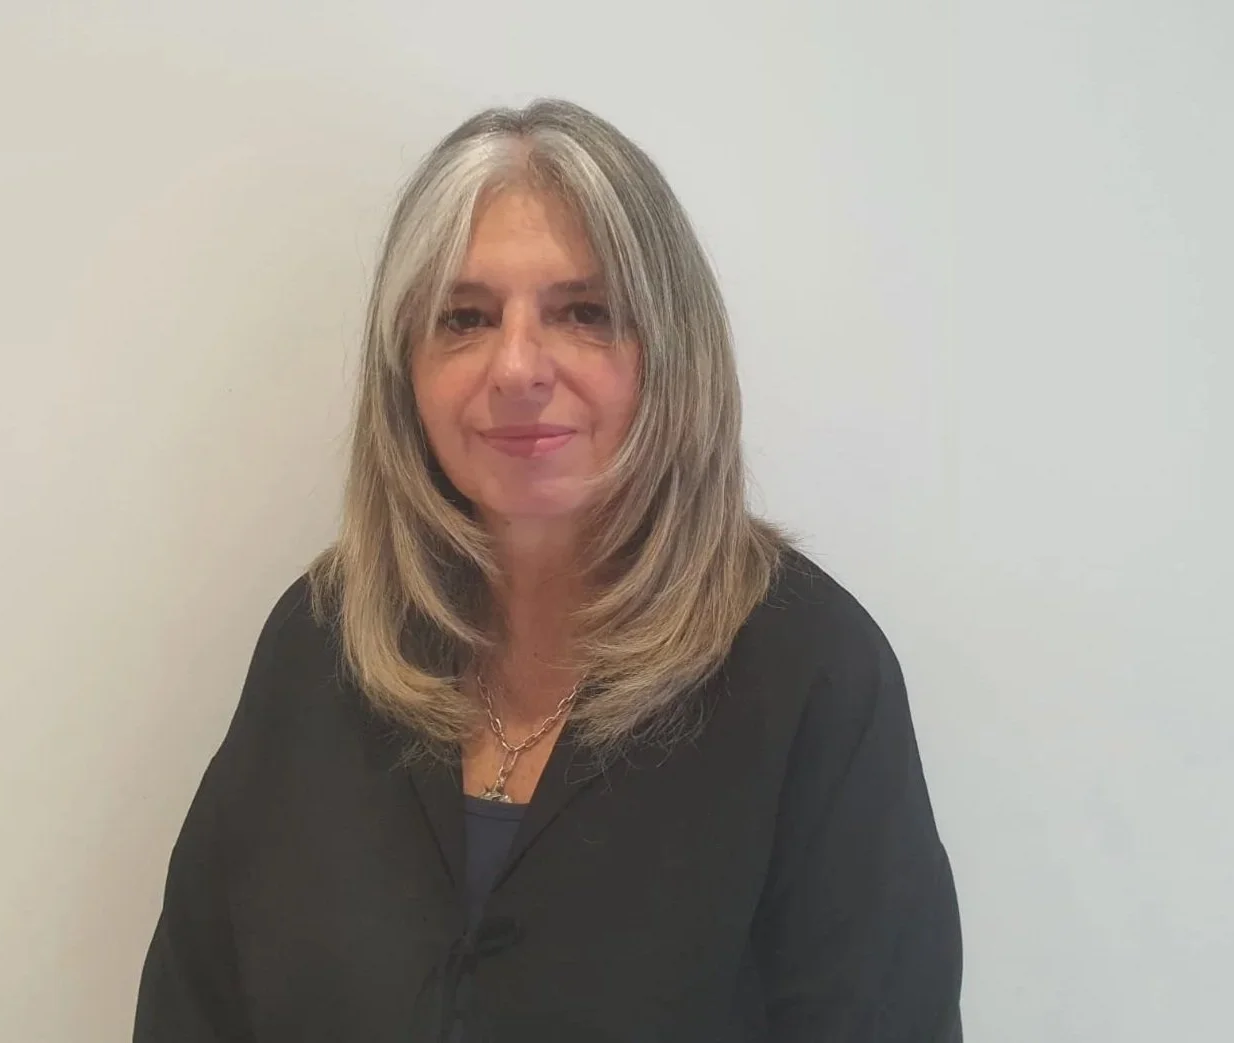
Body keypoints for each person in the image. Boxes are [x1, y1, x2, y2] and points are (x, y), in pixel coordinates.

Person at [132, 97, 963, 1042]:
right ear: (404, 368)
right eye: (465, 317)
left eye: (584, 313)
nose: (518, 365)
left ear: (672, 353)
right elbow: (192, 1005)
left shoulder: (810, 674)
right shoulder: (322, 641)